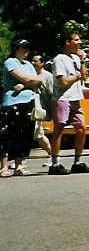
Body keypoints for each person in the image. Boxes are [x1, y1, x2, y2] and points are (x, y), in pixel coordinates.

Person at [49, 30, 89, 175]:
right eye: (77, 40)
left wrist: (82, 61)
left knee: (81, 128)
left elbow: (84, 76)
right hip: (62, 98)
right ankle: (55, 163)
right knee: (59, 129)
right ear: (68, 42)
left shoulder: (75, 58)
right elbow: (63, 81)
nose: (80, 43)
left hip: (75, 98)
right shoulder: (59, 59)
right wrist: (77, 75)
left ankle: (77, 161)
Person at [1, 39, 42, 176]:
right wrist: (28, 82)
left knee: (25, 133)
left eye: (27, 48)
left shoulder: (29, 64)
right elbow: (27, 79)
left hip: (28, 101)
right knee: (9, 134)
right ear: (16, 48)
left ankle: (19, 164)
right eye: (23, 48)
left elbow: (37, 80)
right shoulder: (10, 62)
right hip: (12, 102)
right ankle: (3, 166)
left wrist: (24, 85)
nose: (26, 51)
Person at [29, 54, 54, 169]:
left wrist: (51, 108)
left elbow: (51, 93)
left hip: (39, 107)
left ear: (42, 63)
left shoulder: (47, 76)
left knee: (38, 134)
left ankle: (52, 155)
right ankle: (20, 160)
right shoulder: (30, 75)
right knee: (32, 133)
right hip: (29, 107)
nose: (33, 63)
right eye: (32, 61)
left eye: (36, 61)